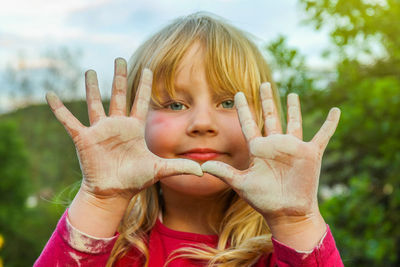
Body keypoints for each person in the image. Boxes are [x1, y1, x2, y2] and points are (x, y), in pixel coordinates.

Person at [34, 12, 343, 267]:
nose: (202, 124)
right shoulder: (105, 242)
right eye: (175, 105)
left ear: (265, 121)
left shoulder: (287, 247)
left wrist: (296, 223)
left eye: (228, 103)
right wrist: (101, 202)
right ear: (133, 121)